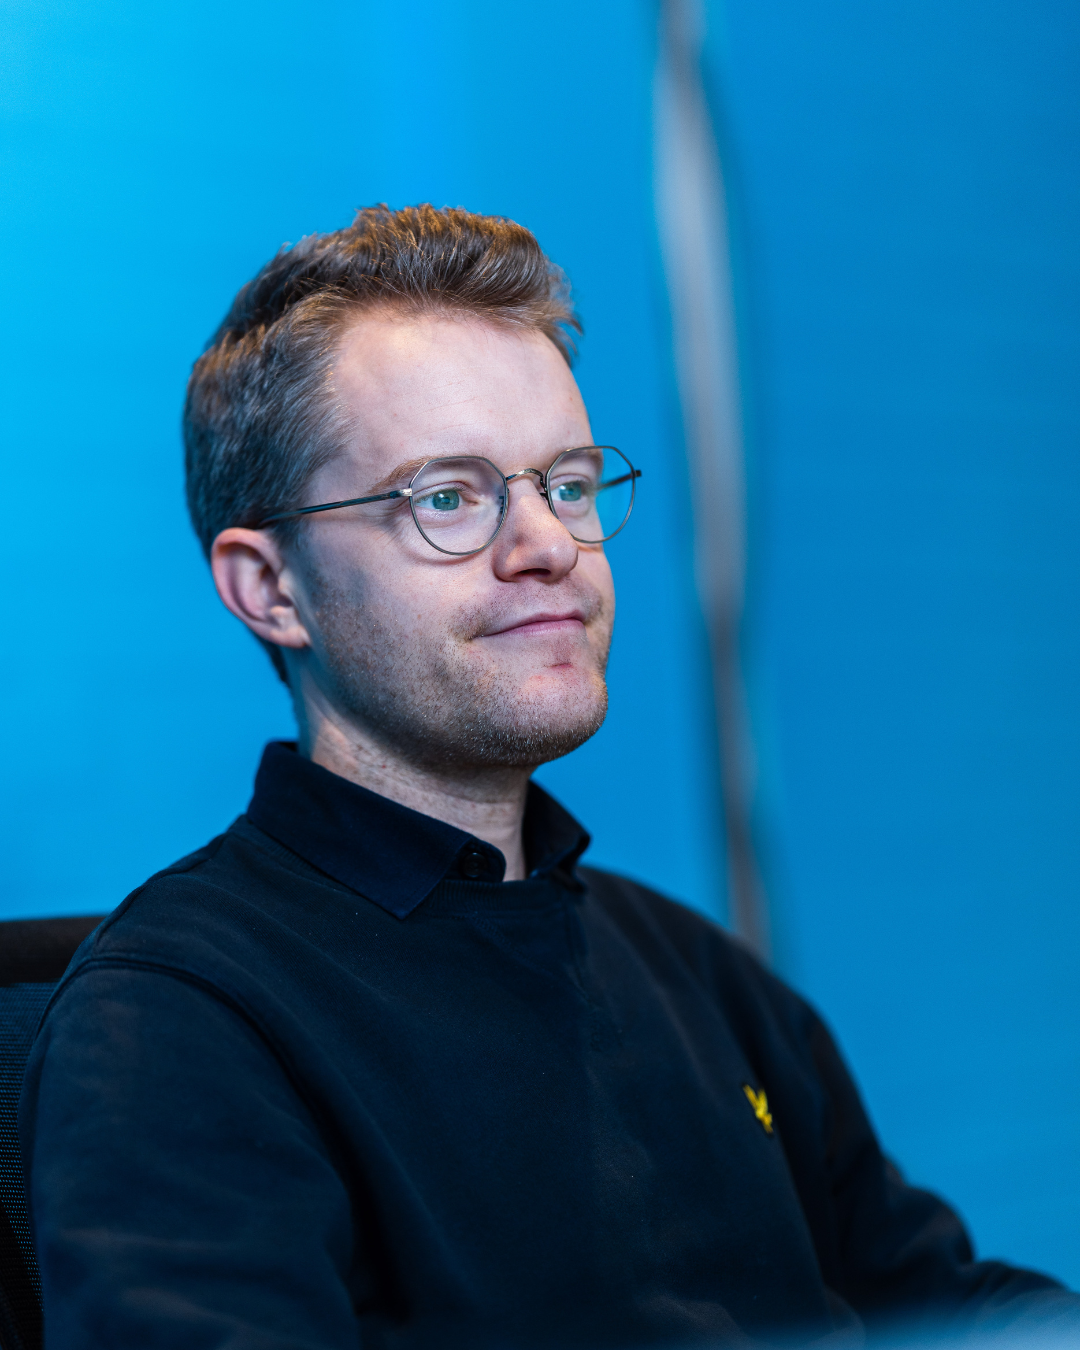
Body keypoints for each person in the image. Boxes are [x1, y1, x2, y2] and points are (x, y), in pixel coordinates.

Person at [19, 205, 1079, 1350]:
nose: (552, 547)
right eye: (447, 497)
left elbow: (945, 1306)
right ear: (271, 589)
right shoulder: (176, 1020)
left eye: (568, 486)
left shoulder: (701, 976)